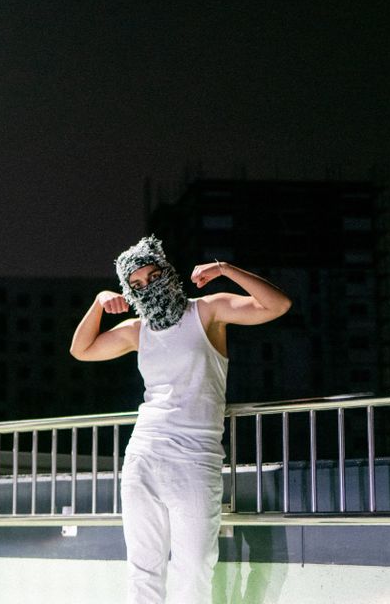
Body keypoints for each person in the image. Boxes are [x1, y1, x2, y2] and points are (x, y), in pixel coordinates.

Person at [69, 236, 291, 604]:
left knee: (194, 568)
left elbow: (278, 305)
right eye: (137, 284)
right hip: (143, 454)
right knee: (143, 569)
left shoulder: (206, 311)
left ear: (167, 272)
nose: (148, 287)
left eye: (153, 276)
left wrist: (224, 269)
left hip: (195, 458)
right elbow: (82, 350)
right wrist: (98, 302)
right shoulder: (138, 330)